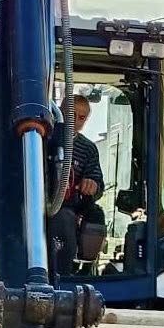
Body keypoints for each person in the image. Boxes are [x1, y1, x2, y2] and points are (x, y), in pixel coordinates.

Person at [51, 94, 104, 276]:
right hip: (37, 202)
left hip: (67, 207)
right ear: (60, 111)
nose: (75, 121)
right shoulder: (43, 139)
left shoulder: (88, 149)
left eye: (81, 117)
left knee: (67, 220)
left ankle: (70, 274)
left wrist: (92, 186)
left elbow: (98, 184)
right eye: (71, 114)